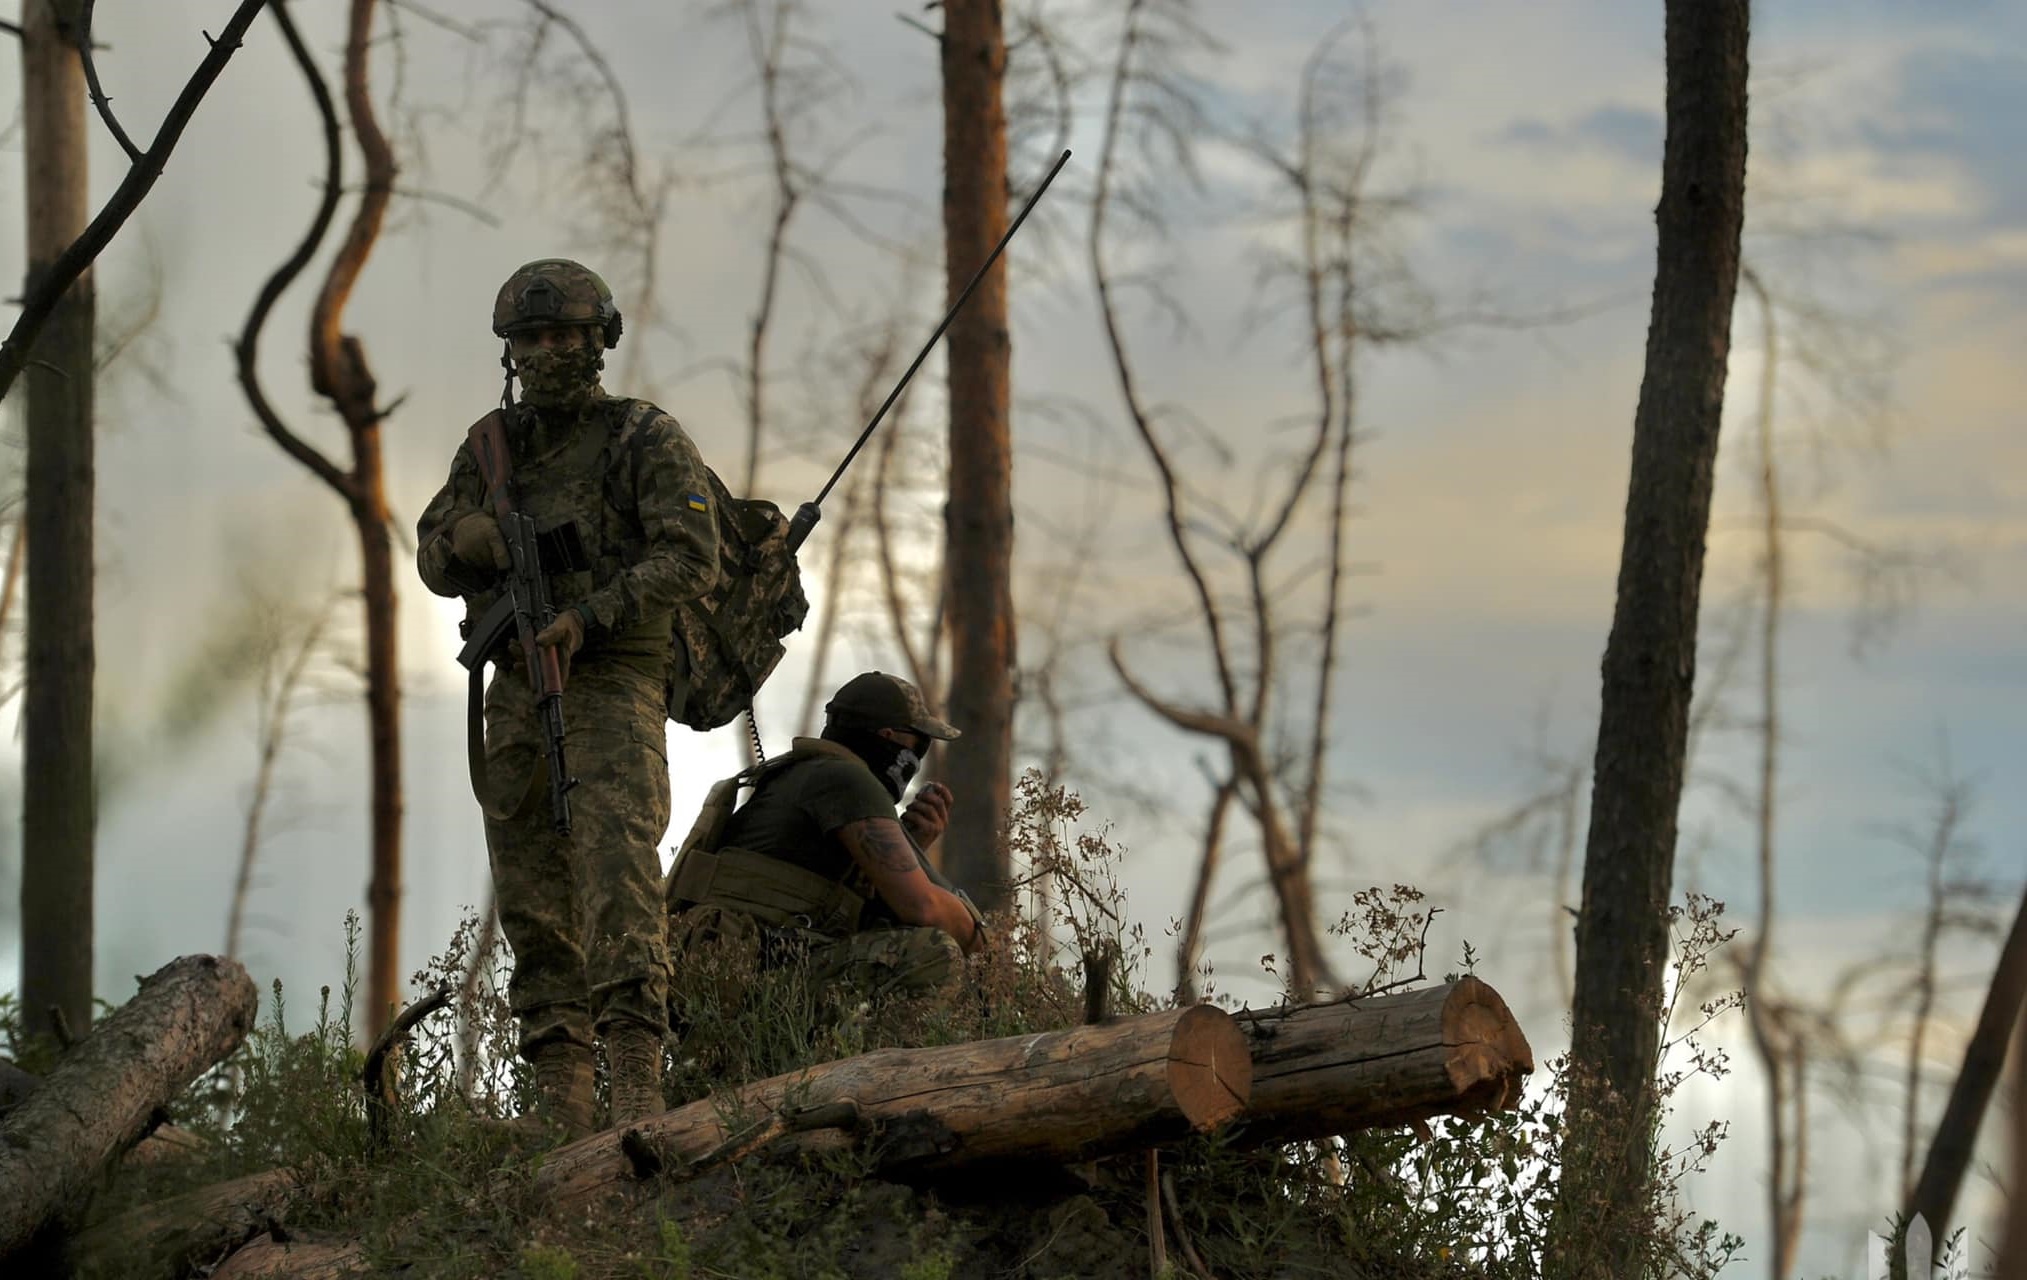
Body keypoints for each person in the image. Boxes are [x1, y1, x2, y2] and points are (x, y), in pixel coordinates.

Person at [416, 258, 720, 1139]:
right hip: (517, 685)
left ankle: (636, 1092)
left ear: (599, 342)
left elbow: (689, 554)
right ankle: (562, 1105)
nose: (550, 352)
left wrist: (592, 614)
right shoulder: (489, 450)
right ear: (511, 350)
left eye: (567, 337)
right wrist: (467, 541)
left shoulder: (641, 438)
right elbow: (432, 553)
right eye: (533, 339)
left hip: (613, 678)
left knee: (618, 879)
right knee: (531, 890)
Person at [665, 671, 987, 1018]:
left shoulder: (802, 774)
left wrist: (913, 846)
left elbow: (835, 912)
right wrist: (982, 943)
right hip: (742, 971)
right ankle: (883, 1073)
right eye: (918, 745)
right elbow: (922, 907)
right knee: (933, 955)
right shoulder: (846, 778)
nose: (918, 758)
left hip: (725, 974)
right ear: (887, 738)